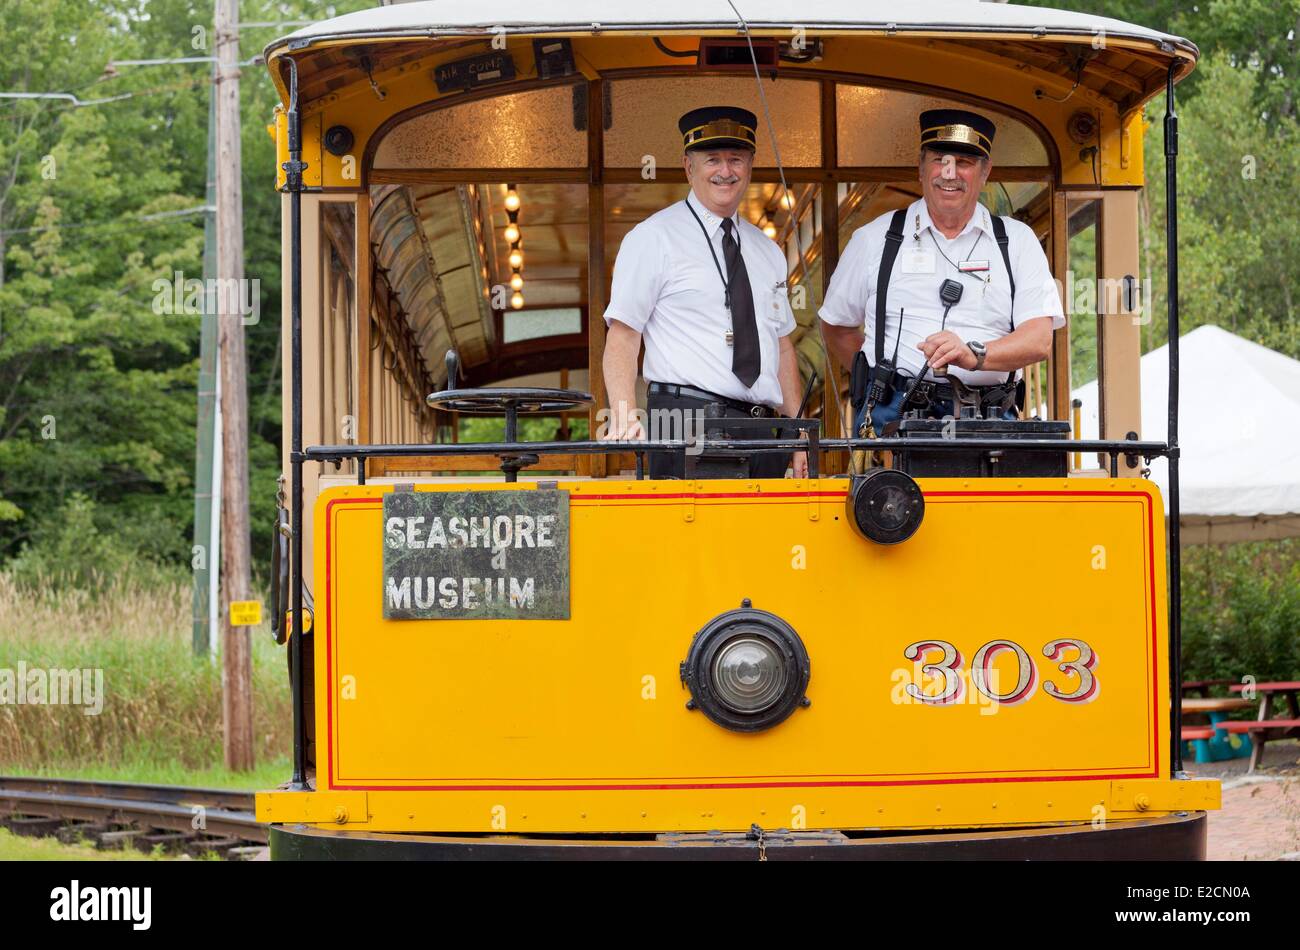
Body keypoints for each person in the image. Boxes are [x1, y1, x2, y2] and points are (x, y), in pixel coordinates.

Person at [819, 109, 1065, 436]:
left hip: (989, 417)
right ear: (920, 168)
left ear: (985, 171)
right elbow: (835, 325)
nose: (949, 173)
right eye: (938, 159)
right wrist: (883, 381)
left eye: (963, 162)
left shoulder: (1017, 241)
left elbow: (1038, 340)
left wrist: (973, 354)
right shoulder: (873, 239)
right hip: (891, 417)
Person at [600, 105, 808, 478]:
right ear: (688, 167)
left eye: (736, 159)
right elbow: (624, 334)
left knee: (764, 538)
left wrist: (798, 433)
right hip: (684, 423)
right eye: (712, 159)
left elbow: (782, 345)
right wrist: (623, 416)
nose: (725, 171)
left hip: (762, 429)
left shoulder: (769, 252)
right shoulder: (653, 238)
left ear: (750, 167)